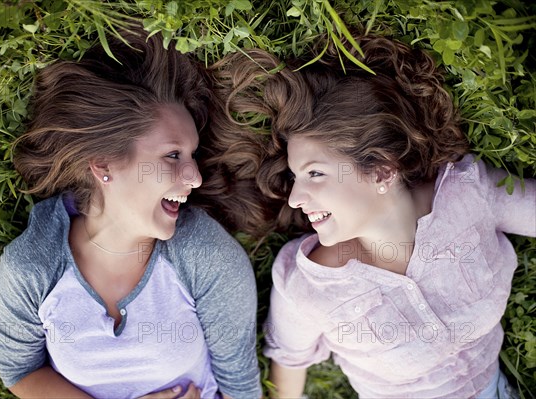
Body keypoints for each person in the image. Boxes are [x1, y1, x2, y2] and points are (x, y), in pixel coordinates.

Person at [204, 35, 535, 398]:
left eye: (314, 174)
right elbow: (289, 360)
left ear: (380, 171)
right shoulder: (310, 288)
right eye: (298, 178)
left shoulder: (468, 194)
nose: (296, 198)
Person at [0, 26, 261, 399]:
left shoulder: (206, 255)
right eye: (172, 155)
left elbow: (240, 387)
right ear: (104, 165)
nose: (195, 177)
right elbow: (19, 371)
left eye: (192, 156)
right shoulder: (31, 268)